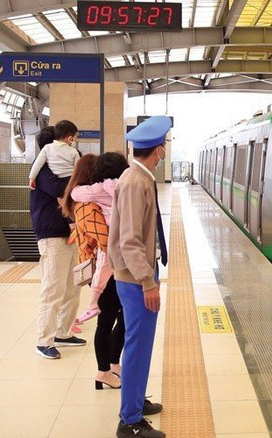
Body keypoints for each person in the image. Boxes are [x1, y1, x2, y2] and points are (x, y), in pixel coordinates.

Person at [109, 116, 170, 438]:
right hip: (135, 278)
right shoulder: (135, 182)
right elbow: (129, 240)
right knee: (137, 344)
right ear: (159, 150)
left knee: (142, 343)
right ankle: (129, 421)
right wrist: (148, 281)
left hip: (139, 272)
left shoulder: (138, 178)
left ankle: (135, 400)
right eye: (165, 146)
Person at [31, 124, 86, 360]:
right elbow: (62, 188)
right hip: (52, 233)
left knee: (73, 286)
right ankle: (44, 340)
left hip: (71, 232)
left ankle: (63, 332)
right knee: (53, 287)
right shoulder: (43, 170)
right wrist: (79, 181)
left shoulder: (62, 166)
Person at [70, 153, 126, 325]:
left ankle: (92, 302)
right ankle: (93, 303)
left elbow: (75, 194)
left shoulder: (97, 190)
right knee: (112, 316)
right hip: (122, 239)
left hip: (107, 247)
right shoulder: (125, 186)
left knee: (107, 318)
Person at [29, 120, 80, 190]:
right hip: (69, 179)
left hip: (54, 176)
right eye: (74, 139)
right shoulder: (73, 151)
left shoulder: (47, 148)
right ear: (70, 139)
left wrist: (32, 178)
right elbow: (78, 168)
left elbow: (37, 164)